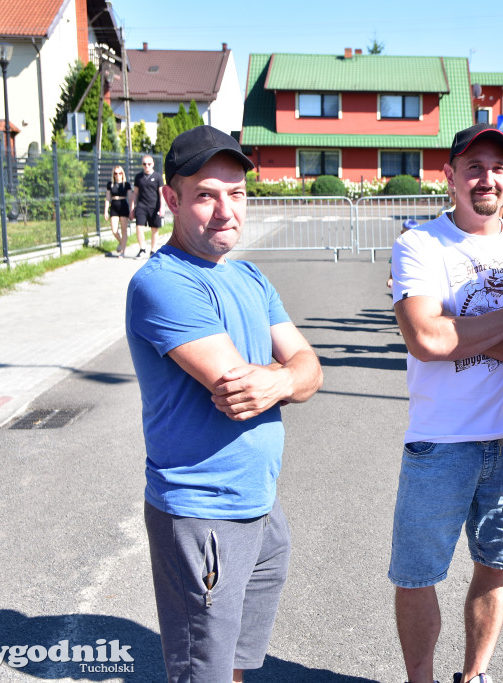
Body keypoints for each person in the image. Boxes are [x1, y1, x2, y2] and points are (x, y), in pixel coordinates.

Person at [125, 126, 323, 682]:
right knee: (201, 673)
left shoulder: (249, 276)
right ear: (172, 199)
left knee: (235, 665)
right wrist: (286, 377)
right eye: (206, 195)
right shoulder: (162, 283)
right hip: (202, 511)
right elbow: (238, 388)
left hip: (259, 504)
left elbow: (310, 370)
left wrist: (282, 380)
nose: (225, 210)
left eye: (236, 194)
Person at [389, 123, 503, 683]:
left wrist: (456, 325)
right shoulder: (419, 244)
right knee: (417, 574)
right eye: (474, 167)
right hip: (440, 439)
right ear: (451, 176)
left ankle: (475, 674)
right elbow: (427, 341)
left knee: (497, 564)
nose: (487, 178)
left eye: (498, 167)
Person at [130, 154, 166, 257]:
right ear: (142, 165)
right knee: (139, 227)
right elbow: (135, 193)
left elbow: (161, 193)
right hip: (141, 205)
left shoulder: (158, 177)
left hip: (154, 206)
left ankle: (153, 250)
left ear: (153, 164)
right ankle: (142, 249)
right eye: (144, 164)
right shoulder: (138, 177)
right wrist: (132, 207)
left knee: (154, 229)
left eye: (149, 164)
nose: (147, 166)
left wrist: (162, 207)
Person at [104, 165, 132, 257]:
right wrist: (105, 210)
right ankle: (121, 242)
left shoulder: (126, 184)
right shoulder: (110, 184)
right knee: (114, 230)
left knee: (124, 230)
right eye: (116, 173)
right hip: (114, 206)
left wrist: (132, 209)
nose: (118, 175)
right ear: (113, 174)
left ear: (122, 174)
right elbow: (108, 198)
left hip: (123, 205)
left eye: (120, 173)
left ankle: (123, 251)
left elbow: (131, 197)